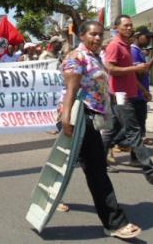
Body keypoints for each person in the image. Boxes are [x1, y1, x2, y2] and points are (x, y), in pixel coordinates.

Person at [60, 20, 141, 239]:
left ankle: (53, 199)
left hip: (91, 116)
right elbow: (72, 88)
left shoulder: (96, 57)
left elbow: (98, 85)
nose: (97, 38)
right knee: (96, 169)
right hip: (79, 117)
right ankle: (115, 223)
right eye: (92, 34)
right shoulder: (76, 57)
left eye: (100, 35)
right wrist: (66, 118)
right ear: (81, 35)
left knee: (67, 163)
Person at [103, 15, 153, 183]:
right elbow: (110, 69)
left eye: (131, 25)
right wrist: (134, 67)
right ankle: (150, 170)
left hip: (130, 94)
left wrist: (142, 90)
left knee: (112, 131)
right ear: (117, 27)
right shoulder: (115, 45)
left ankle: (96, 159)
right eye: (125, 25)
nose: (129, 28)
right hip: (120, 95)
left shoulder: (126, 46)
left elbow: (132, 75)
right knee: (134, 132)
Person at [130, 26, 153, 146]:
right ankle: (116, 144)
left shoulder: (139, 51)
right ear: (137, 36)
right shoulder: (133, 51)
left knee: (138, 124)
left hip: (140, 94)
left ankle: (134, 152)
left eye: (150, 37)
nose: (150, 39)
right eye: (147, 37)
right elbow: (138, 74)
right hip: (136, 94)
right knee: (135, 125)